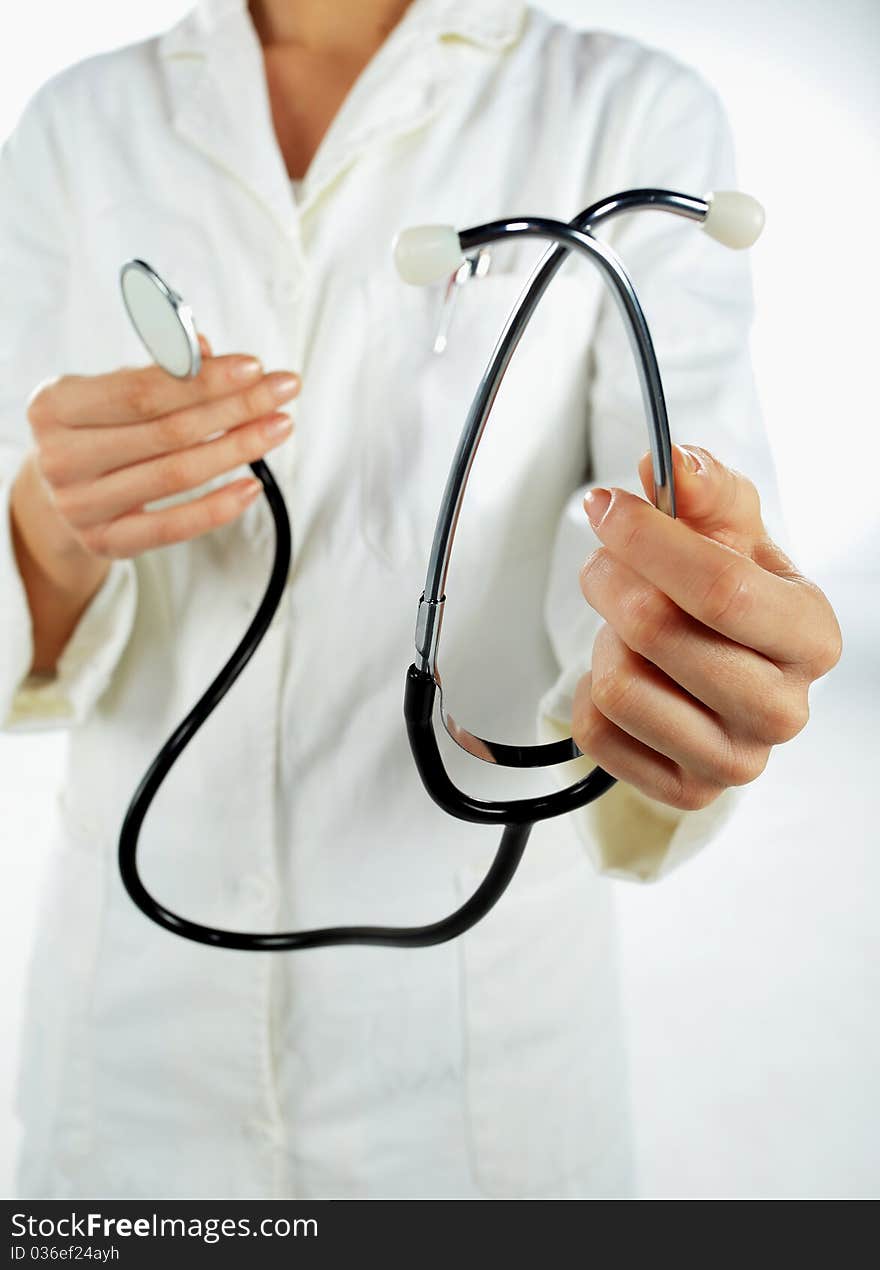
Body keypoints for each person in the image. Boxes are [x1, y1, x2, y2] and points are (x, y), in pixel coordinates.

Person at [0, 0, 841, 1200]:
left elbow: (662, 507)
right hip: (131, 1051)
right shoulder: (77, 124)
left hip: (475, 1085)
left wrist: (677, 656)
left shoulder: (629, 111)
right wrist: (46, 519)